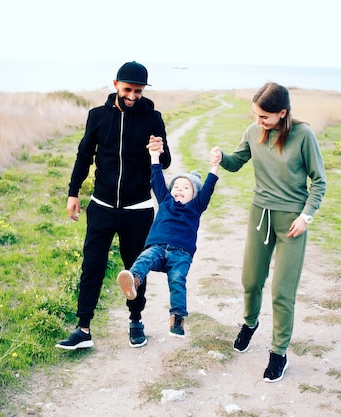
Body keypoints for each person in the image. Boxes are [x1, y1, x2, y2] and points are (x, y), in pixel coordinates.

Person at [210, 82, 326, 382]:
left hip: (292, 222)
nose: (258, 121)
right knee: (251, 280)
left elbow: (319, 182)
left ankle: (278, 353)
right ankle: (249, 324)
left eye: (264, 117)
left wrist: (305, 217)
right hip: (260, 213)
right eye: (256, 115)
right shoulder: (253, 132)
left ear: (282, 113)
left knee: (282, 292)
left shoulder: (304, 136)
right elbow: (237, 163)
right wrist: (222, 156)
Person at [55, 61, 171, 350]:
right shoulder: (97, 116)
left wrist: (159, 150)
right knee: (91, 266)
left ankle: (136, 321)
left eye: (139, 91)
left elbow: (165, 162)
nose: (133, 96)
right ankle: (83, 328)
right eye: (128, 89)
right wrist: (73, 194)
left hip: (138, 210)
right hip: (102, 206)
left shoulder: (153, 119)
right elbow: (84, 157)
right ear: (116, 84)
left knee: (135, 271)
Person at [117, 144, 219, 338]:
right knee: (143, 258)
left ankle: (178, 317)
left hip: (181, 253)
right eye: (177, 187)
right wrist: (154, 156)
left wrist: (214, 166)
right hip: (157, 247)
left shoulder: (196, 206)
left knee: (177, 280)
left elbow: (208, 186)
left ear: (194, 194)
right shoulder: (165, 200)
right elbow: (156, 178)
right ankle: (134, 281)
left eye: (186, 187)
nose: (179, 189)